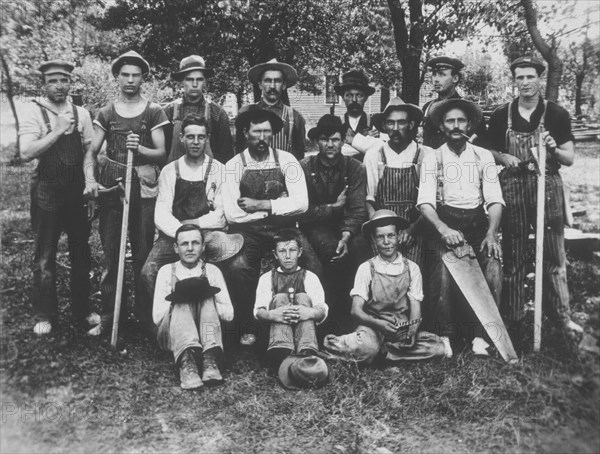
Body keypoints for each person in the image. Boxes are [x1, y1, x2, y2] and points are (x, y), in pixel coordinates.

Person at [482, 56, 582, 336]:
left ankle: (561, 318)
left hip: (546, 186)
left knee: (552, 255)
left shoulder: (556, 114)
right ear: (514, 80)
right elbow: (486, 150)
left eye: (530, 77)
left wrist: (552, 148)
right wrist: (503, 155)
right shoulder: (503, 114)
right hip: (512, 187)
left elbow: (569, 157)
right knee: (514, 256)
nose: (525, 83)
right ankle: (513, 319)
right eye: (519, 78)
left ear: (540, 79)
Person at [84, 50, 169, 335]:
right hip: (113, 190)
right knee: (111, 255)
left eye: (136, 75)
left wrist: (140, 148)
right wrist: (90, 179)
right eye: (125, 75)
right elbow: (91, 152)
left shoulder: (154, 111)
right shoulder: (106, 113)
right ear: (117, 77)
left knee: (144, 255)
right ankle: (110, 319)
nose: (130, 80)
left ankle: (146, 319)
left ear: (143, 78)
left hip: (143, 189)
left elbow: (161, 153)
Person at [223, 106, 322, 346]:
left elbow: (301, 203)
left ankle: (308, 321)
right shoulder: (234, 165)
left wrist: (262, 204)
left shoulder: (286, 160)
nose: (262, 138)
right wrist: (278, 206)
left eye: (267, 132)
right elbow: (234, 214)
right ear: (246, 133)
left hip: (284, 229)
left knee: (311, 262)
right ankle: (249, 325)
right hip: (248, 231)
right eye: (256, 132)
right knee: (238, 267)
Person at [140, 114, 242, 337]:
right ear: (181, 139)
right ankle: (165, 327)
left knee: (233, 269)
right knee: (149, 271)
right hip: (173, 237)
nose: (196, 142)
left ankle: (223, 327)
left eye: (201, 137)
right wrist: (181, 234)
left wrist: (195, 226)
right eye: (191, 137)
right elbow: (161, 213)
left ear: (207, 139)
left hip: (210, 236)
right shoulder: (170, 171)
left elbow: (222, 215)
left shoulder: (219, 170)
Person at [417, 98, 505, 356]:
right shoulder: (433, 157)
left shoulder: (483, 156)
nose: (456, 126)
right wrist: (443, 229)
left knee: (493, 264)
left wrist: (491, 233)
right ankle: (445, 337)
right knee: (442, 270)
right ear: (442, 126)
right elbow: (424, 203)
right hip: (443, 222)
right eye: (450, 121)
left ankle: (482, 336)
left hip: (478, 223)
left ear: (469, 124)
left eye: (460, 120)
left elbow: (495, 200)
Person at [19, 60, 99, 335]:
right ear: (44, 83)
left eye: (64, 80)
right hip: (46, 191)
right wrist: (56, 130)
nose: (59, 86)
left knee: (81, 252)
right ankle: (45, 314)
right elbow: (26, 151)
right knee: (45, 254)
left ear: (70, 82)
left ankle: (82, 310)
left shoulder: (82, 113)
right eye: (53, 81)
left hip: (76, 191)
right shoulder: (34, 111)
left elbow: (89, 152)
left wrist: (90, 181)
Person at [323, 210, 446, 364]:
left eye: (391, 235)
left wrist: (412, 331)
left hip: (399, 328)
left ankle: (382, 354)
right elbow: (355, 311)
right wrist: (379, 324)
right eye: (380, 237)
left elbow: (415, 306)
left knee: (438, 347)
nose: (386, 242)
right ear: (374, 239)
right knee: (366, 346)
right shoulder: (366, 268)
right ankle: (348, 346)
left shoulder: (412, 268)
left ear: (399, 236)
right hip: (372, 327)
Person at [299, 114, 371, 332]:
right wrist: (332, 207)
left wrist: (347, 235)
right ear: (316, 142)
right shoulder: (304, 167)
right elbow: (302, 212)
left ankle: (359, 315)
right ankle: (329, 319)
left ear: (342, 141)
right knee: (331, 252)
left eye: (335, 139)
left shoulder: (355, 168)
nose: (330, 145)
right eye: (324, 139)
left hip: (348, 226)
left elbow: (358, 210)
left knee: (360, 249)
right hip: (316, 226)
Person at [153, 224, 233, 390]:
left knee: (206, 296)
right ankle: (187, 362)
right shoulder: (166, 271)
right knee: (181, 298)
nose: (190, 248)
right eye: (184, 244)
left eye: (195, 243)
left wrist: (206, 297)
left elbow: (229, 314)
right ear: (176, 248)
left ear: (203, 247)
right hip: (176, 332)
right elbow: (157, 317)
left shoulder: (212, 271)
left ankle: (209, 358)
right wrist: (179, 300)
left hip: (208, 332)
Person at [352, 98, 427, 267]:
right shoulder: (375, 155)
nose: (395, 129)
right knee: (381, 275)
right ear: (384, 126)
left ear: (411, 124)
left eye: (401, 123)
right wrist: (381, 231)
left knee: (412, 273)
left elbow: (430, 202)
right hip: (381, 226)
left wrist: (412, 230)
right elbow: (369, 200)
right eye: (390, 123)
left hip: (414, 227)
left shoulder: (424, 155)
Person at [254, 229, 328, 366]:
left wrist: (308, 312)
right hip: (276, 329)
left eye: (292, 250)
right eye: (282, 251)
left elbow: (321, 309)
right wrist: (273, 314)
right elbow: (259, 311)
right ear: (275, 254)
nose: (287, 256)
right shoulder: (267, 278)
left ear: (299, 252)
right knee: (280, 298)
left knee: (303, 297)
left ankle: (306, 350)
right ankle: (281, 350)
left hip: (305, 326)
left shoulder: (310, 277)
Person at [163, 55, 234, 164]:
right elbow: (163, 151)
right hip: (175, 175)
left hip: (209, 175)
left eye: (199, 79)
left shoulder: (217, 113)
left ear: (204, 81)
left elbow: (226, 154)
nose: (195, 84)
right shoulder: (169, 111)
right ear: (182, 81)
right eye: (190, 79)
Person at [235, 59, 306, 160]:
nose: (272, 86)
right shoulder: (246, 113)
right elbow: (239, 151)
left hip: (283, 173)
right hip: (253, 173)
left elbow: (299, 156)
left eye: (277, 81)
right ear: (260, 84)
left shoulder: (295, 118)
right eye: (268, 81)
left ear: (284, 85)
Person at [421, 56, 486, 149]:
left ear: (455, 78)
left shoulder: (468, 109)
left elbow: (480, 146)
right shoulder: (428, 108)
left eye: (441, 74)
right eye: (434, 74)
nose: (436, 79)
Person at [334, 70, 378, 159]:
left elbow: (379, 150)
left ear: (366, 98)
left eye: (359, 95)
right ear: (343, 97)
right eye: (349, 95)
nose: (354, 100)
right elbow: (334, 152)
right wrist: (366, 141)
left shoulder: (375, 123)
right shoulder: (336, 124)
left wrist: (350, 142)